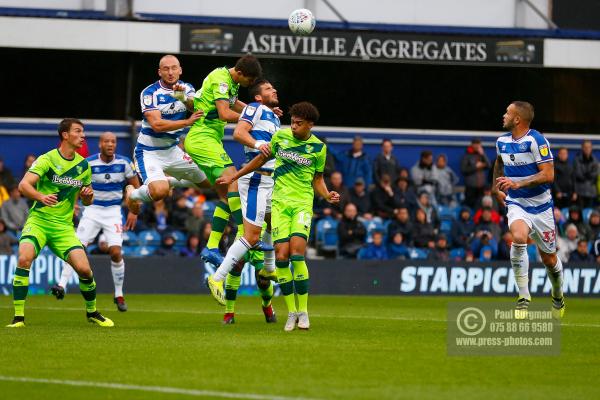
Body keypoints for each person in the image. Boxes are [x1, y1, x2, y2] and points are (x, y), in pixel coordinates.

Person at [215, 102, 340, 331]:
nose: (293, 126)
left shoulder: (318, 148)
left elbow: (318, 180)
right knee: (281, 257)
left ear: (310, 125)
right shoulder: (280, 138)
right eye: (291, 121)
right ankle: (291, 312)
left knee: (297, 254)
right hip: (279, 204)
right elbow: (259, 160)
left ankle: (303, 312)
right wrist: (235, 176)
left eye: (298, 123)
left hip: (302, 204)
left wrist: (327, 194)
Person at [6, 118, 113, 328]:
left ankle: (92, 313)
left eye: (83, 132)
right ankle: (18, 317)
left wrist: (88, 195)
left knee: (84, 270)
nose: (83, 136)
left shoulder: (83, 166)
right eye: (78, 131)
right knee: (24, 258)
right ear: (65, 135)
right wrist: (40, 197)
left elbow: (87, 200)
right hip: (39, 221)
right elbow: (23, 185)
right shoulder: (47, 159)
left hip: (63, 227)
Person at [203, 79, 280, 324]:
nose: (274, 90)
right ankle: (217, 277)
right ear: (257, 97)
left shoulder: (271, 115)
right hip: (257, 179)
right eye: (268, 89)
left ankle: (269, 267)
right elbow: (238, 132)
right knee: (252, 236)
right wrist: (258, 144)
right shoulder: (254, 109)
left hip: (269, 180)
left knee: (272, 221)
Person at [184, 55, 272, 267]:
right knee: (233, 180)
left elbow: (236, 105)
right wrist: (255, 118)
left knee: (226, 194)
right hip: (202, 138)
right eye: (249, 80)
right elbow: (224, 113)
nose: (250, 84)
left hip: (210, 138)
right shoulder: (221, 78)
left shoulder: (230, 81)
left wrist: (263, 111)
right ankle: (247, 235)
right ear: (240, 73)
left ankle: (212, 247)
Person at [492, 101, 565, 319]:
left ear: (517, 119)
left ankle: (558, 294)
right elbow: (498, 163)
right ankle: (523, 296)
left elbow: (548, 175)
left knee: (549, 260)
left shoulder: (536, 140)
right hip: (517, 203)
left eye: (507, 112)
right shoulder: (501, 141)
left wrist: (518, 183)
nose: (503, 115)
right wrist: (496, 188)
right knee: (518, 237)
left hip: (541, 207)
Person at [51, 132, 139, 312]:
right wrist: (74, 204)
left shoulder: (124, 163)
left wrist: (134, 210)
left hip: (114, 211)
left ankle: (119, 295)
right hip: (92, 210)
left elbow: (136, 188)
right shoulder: (88, 163)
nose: (110, 144)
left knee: (115, 252)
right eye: (106, 141)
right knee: (77, 247)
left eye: (113, 141)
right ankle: (62, 285)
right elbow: (77, 184)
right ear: (100, 144)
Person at [125, 54, 210, 224]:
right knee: (159, 193)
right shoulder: (150, 93)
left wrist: (183, 98)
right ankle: (132, 194)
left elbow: (195, 107)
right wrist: (186, 122)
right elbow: (157, 125)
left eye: (173, 68)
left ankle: (170, 181)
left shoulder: (187, 87)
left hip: (172, 150)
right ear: (159, 72)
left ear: (180, 70)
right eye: (166, 69)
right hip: (149, 152)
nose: (170, 72)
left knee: (209, 183)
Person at [462, 138, 490, 209]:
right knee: (469, 206)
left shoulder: (481, 155)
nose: (477, 146)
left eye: (478, 144)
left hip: (481, 187)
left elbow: (489, 165)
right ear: (472, 145)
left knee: (480, 206)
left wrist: (483, 154)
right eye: (476, 144)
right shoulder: (467, 155)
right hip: (471, 187)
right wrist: (476, 167)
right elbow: (464, 170)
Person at [573, 140, 598, 209]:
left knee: (590, 213)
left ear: (591, 148)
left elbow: (595, 174)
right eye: (585, 147)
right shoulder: (577, 159)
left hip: (591, 192)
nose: (587, 149)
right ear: (582, 148)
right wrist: (589, 174)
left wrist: (586, 174)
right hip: (580, 192)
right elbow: (578, 174)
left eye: (589, 147)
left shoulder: (595, 160)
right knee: (581, 213)